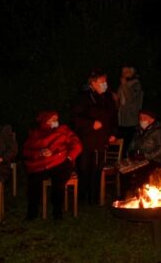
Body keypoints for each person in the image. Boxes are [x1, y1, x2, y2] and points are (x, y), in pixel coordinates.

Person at [23, 110, 82, 220]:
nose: (56, 122)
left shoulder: (64, 130)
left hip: (61, 161)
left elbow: (76, 144)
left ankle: (57, 211)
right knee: (34, 180)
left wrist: (69, 157)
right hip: (41, 163)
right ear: (45, 121)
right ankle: (32, 211)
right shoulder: (36, 133)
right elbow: (27, 151)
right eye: (53, 120)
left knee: (59, 182)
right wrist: (40, 153)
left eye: (56, 119)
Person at [71, 68, 118, 204]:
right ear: (93, 83)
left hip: (102, 139)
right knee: (85, 168)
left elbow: (113, 116)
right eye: (102, 81)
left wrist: (113, 132)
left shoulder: (107, 97)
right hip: (86, 139)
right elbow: (75, 118)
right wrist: (91, 124)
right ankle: (83, 198)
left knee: (98, 168)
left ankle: (95, 198)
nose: (105, 83)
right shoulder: (82, 97)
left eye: (105, 81)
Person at [121, 108, 161, 195]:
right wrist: (131, 153)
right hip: (139, 159)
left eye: (144, 118)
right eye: (140, 118)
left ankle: (142, 194)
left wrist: (145, 156)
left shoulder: (158, 131)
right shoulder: (138, 130)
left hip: (155, 160)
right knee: (124, 169)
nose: (141, 120)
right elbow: (132, 144)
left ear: (151, 119)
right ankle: (127, 196)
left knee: (143, 171)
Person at [116, 64, 144, 148]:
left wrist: (124, 85)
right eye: (123, 72)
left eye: (127, 72)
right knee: (122, 143)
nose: (124, 74)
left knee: (129, 143)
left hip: (131, 119)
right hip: (122, 119)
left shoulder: (136, 84)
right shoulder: (123, 84)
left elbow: (130, 98)